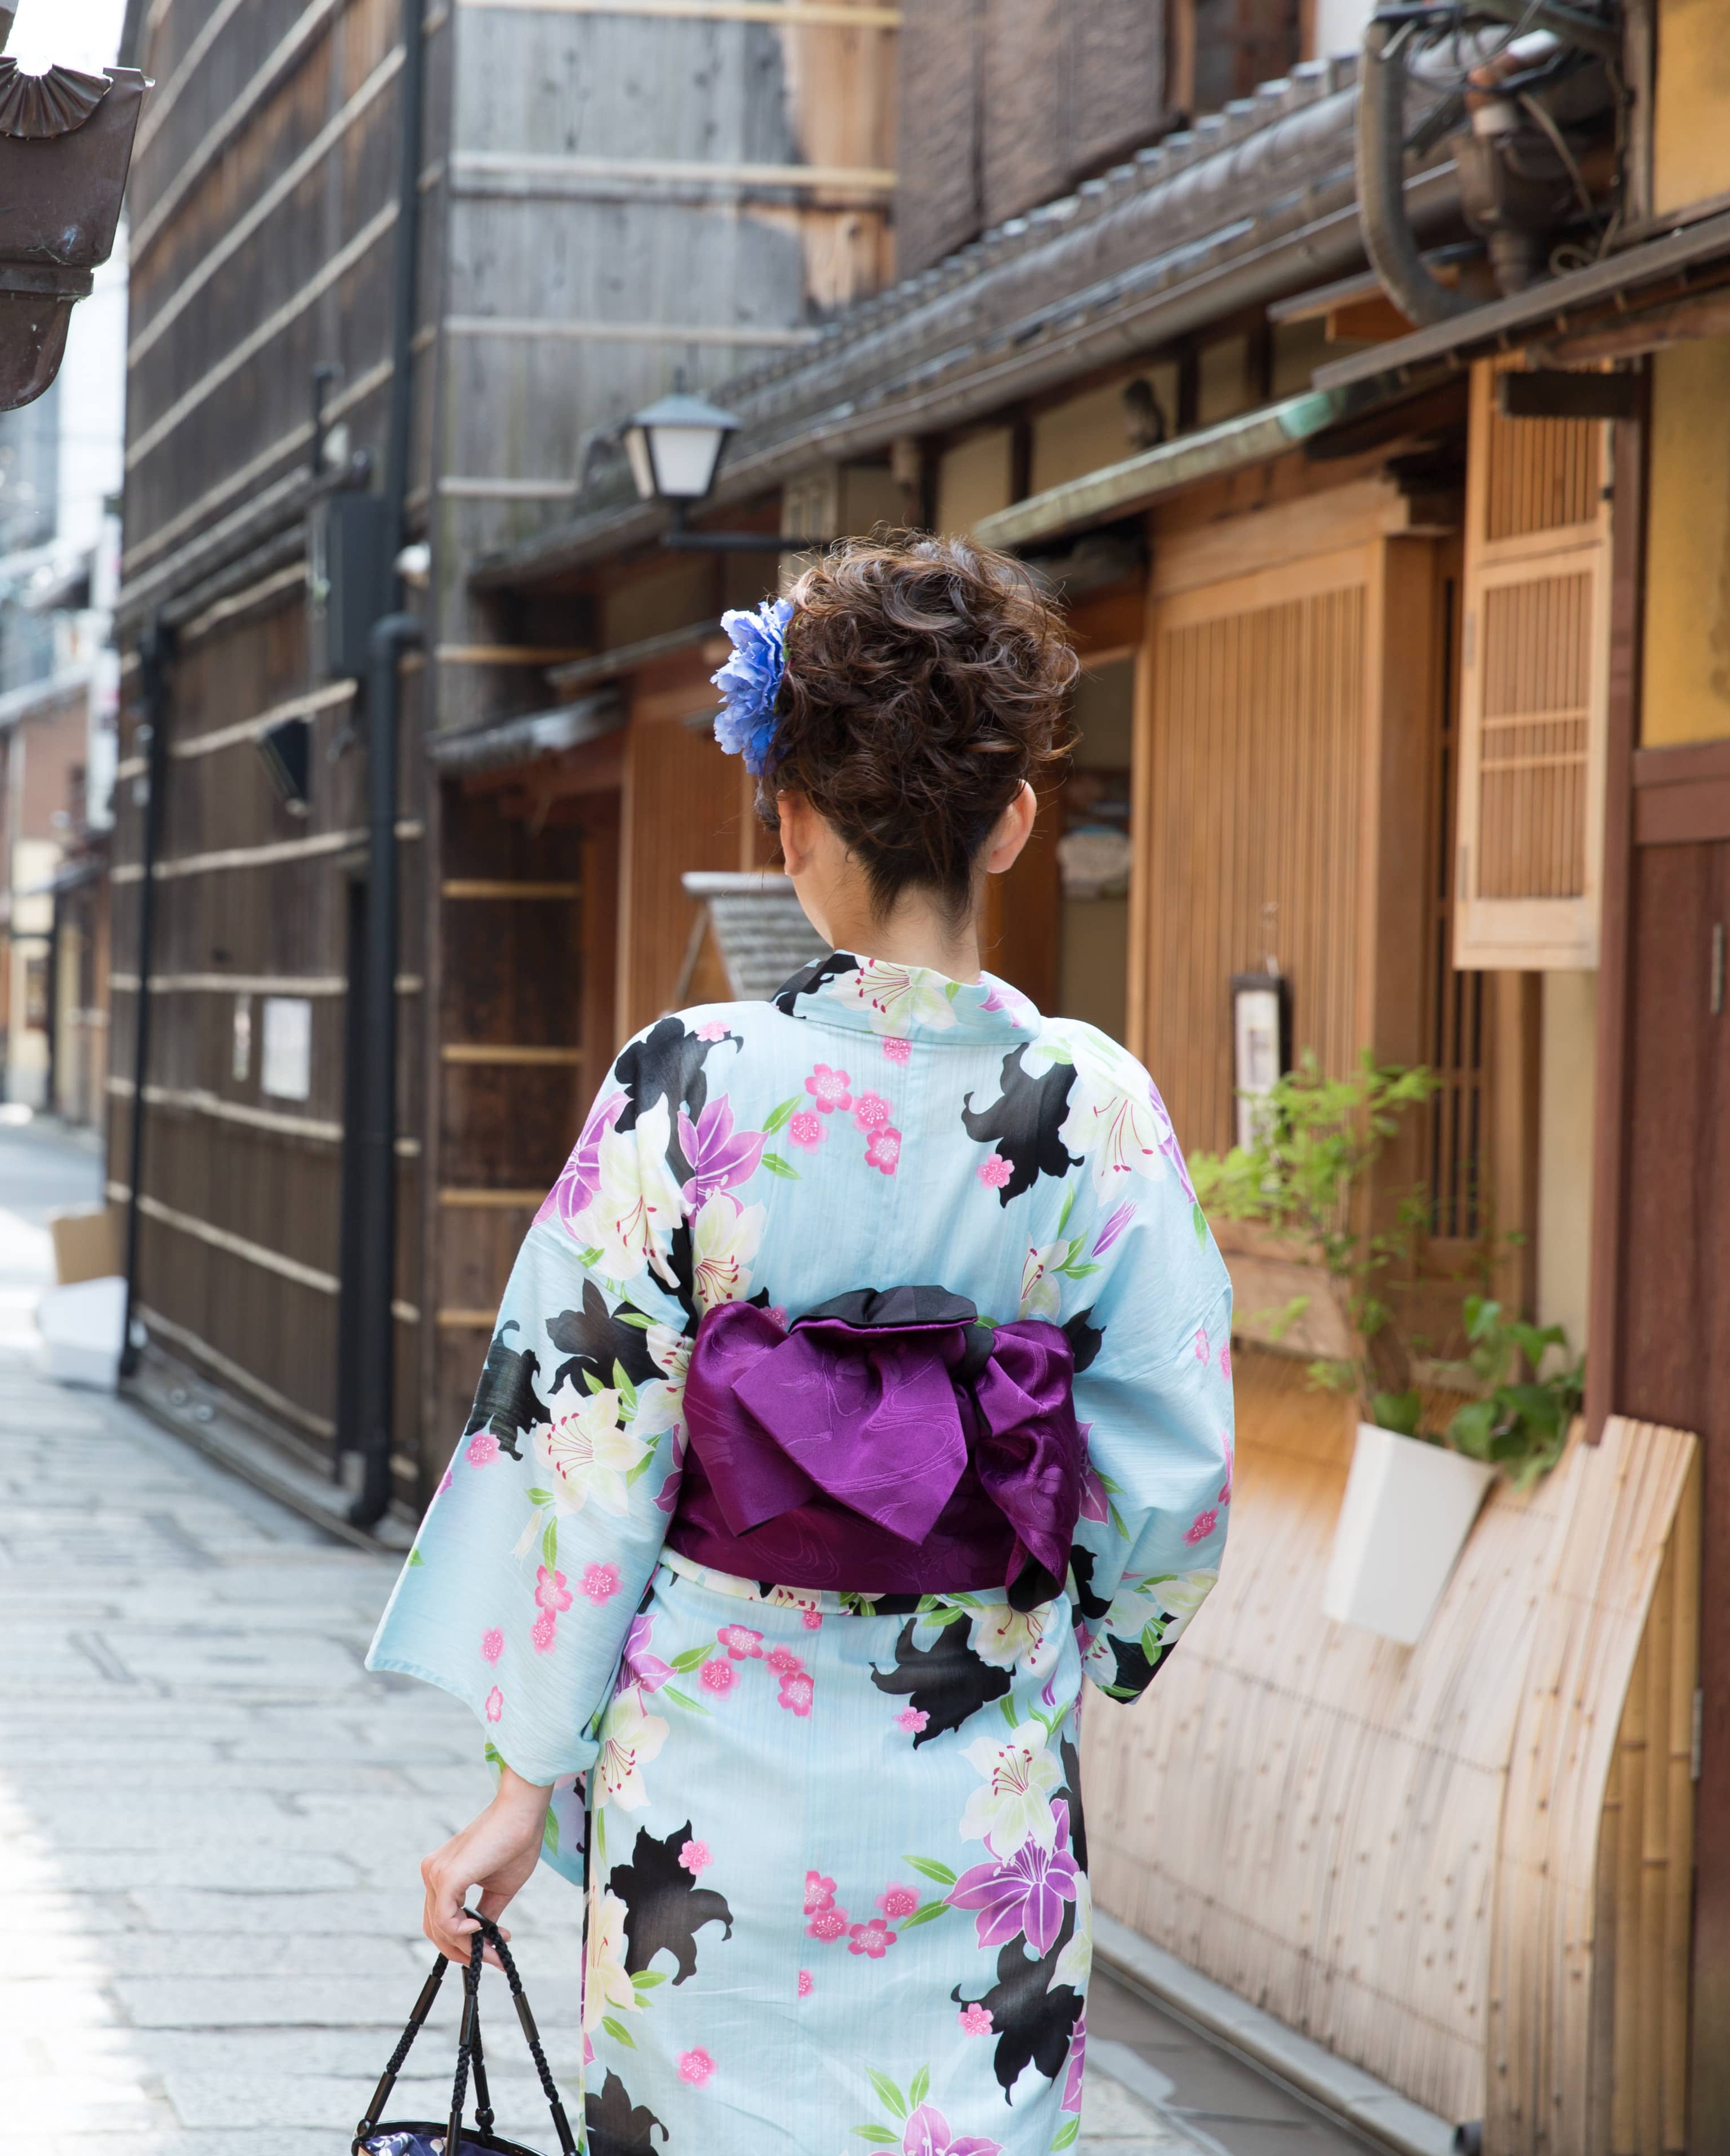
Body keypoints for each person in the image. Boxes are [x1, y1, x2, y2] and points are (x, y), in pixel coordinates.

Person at [369, 538, 1232, 2155]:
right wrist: (1082, 1641)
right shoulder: (1098, 1106)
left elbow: (588, 1452)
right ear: (1016, 818)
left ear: (793, 828)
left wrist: (519, 1784)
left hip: (708, 1805)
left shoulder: (685, 1081)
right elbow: (1171, 1469)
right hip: (972, 1790)